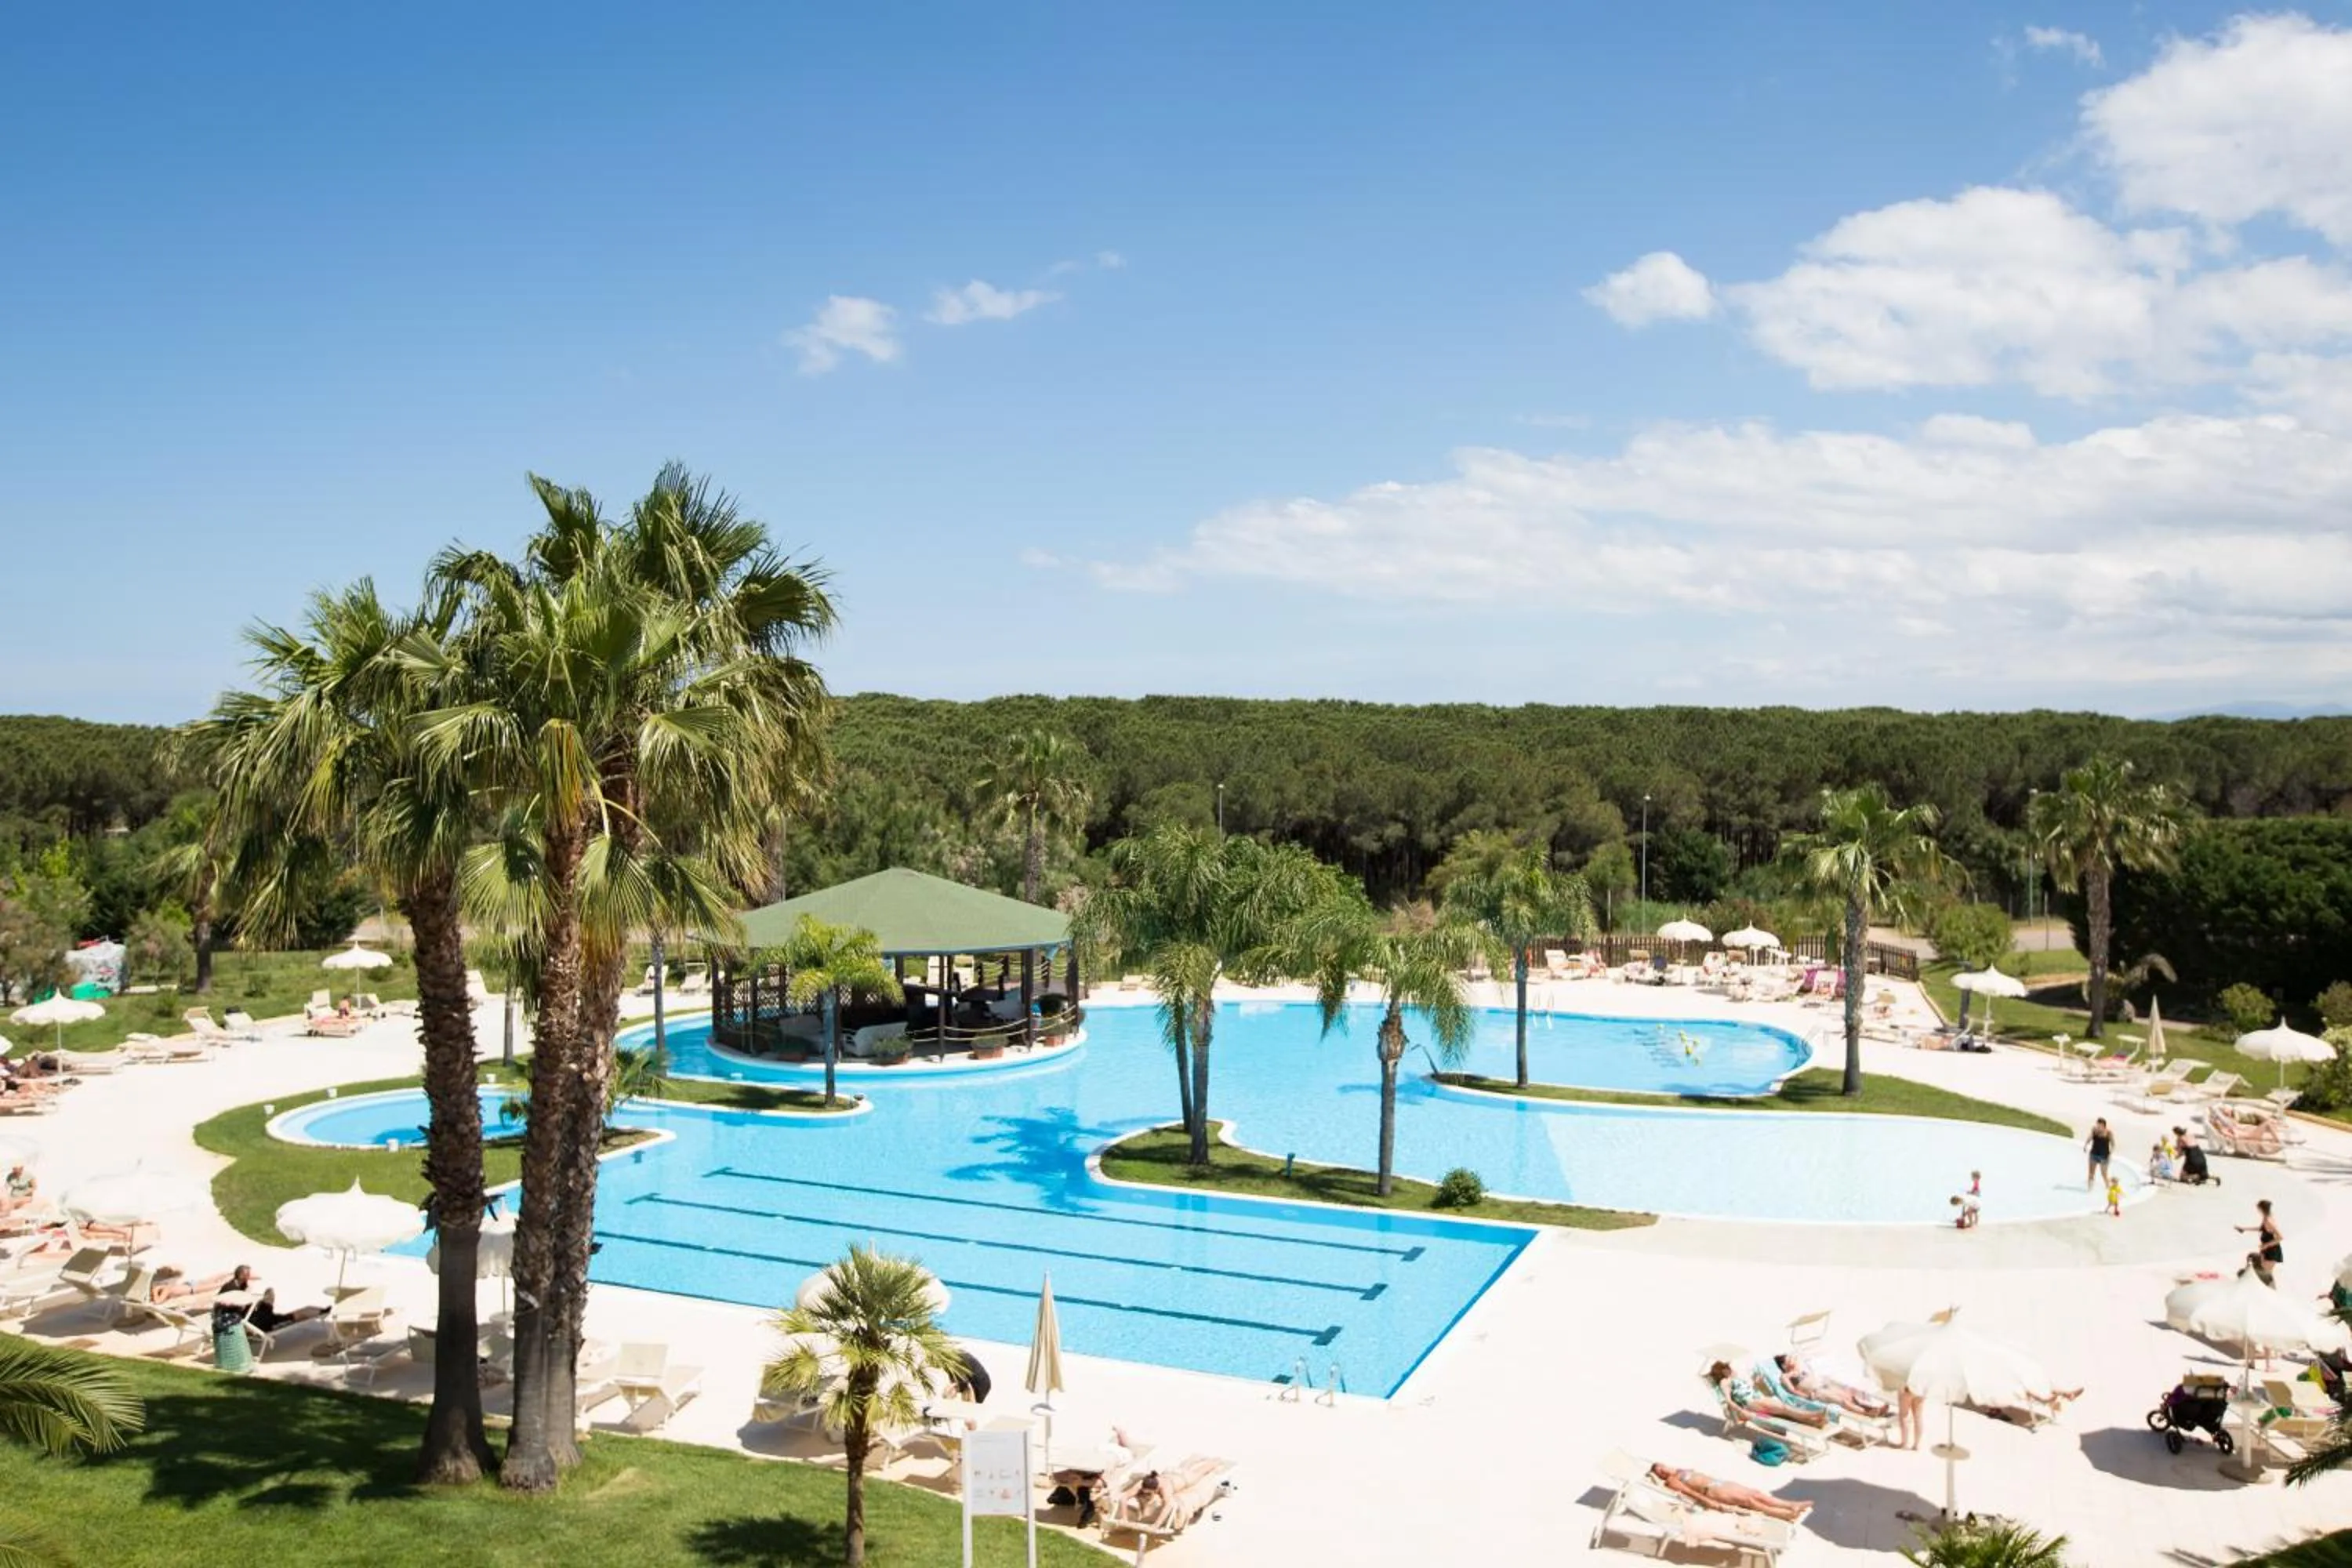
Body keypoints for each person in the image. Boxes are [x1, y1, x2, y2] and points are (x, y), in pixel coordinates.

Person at [1647, 1463, 1815, 1523]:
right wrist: (1708, 1502)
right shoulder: (1672, 1481)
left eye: (1662, 1466)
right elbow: (1689, 1491)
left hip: (1720, 1484)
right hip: (1711, 1492)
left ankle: (1791, 1505)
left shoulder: (1680, 1470)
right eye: (1660, 1471)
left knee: (1755, 1493)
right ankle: (1783, 1515)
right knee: (1749, 1502)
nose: (1663, 1470)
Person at [1705, 1361, 1831, 1428]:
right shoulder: (1724, 1382)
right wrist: (1742, 1411)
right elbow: (1729, 1400)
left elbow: (1746, 1389)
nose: (1731, 1369)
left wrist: (1757, 1384)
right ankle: (1815, 1414)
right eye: (1728, 1367)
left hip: (1757, 1397)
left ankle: (1814, 1423)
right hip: (1751, 1402)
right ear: (1723, 1371)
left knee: (1785, 1412)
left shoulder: (1734, 1378)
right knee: (1785, 1408)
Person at [213, 1265, 326, 1331]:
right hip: (256, 1321)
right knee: (299, 1314)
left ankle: (321, 1311)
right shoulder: (231, 1287)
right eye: (247, 1274)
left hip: (253, 1317)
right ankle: (321, 1311)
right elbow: (227, 1304)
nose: (249, 1275)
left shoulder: (240, 1284)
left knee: (299, 1313)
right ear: (241, 1275)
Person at [1773, 1353, 1889, 1417]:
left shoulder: (1798, 1370)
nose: (1793, 1360)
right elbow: (1792, 1391)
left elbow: (1798, 1357)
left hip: (1824, 1385)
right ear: (1784, 1366)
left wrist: (1794, 1364)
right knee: (1843, 1402)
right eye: (1789, 1360)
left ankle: (1875, 1409)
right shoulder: (1785, 1377)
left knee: (1850, 1397)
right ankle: (1867, 1414)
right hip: (1818, 1392)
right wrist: (1806, 1397)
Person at [2238, 1200, 2285, 1286]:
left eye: (2258, 1208)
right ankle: (2268, 1293)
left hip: (2272, 1250)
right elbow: (2261, 1229)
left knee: (2267, 1275)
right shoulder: (2267, 1218)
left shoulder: (2268, 1221)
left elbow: (2280, 1237)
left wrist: (2266, 1245)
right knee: (2263, 1274)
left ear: (2261, 1209)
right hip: (2267, 1250)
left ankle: (2272, 1294)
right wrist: (2244, 1229)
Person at [2085, 1117, 2114, 1191]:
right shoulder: (2094, 1130)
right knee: (2091, 1173)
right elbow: (2090, 1137)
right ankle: (2089, 1190)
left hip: (2104, 1156)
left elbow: (2113, 1144)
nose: (2098, 1127)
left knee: (2104, 1174)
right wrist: (2086, 1144)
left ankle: (2108, 1188)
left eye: (2100, 1126)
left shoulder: (2109, 1133)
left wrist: (2111, 1154)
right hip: (2094, 1154)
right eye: (2097, 1125)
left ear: (2104, 1126)